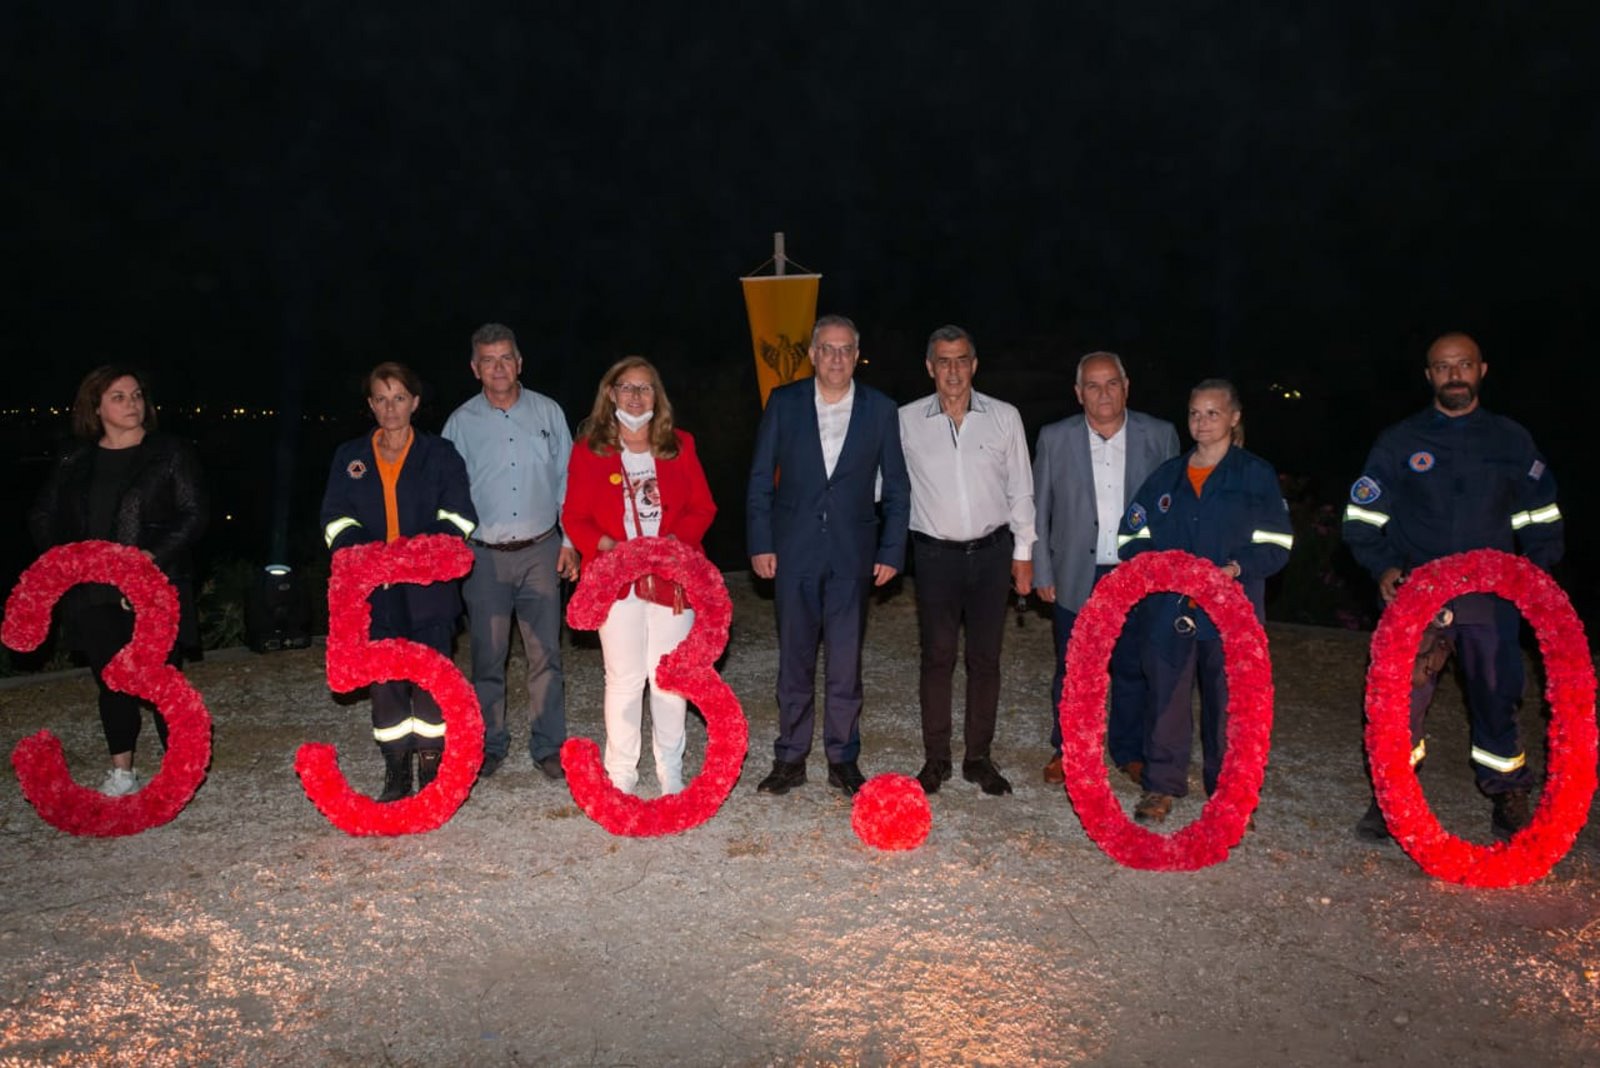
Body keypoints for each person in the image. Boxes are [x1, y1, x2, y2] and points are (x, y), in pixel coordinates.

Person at [1343, 332, 1562, 842]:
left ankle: (1507, 792)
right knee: (1400, 699)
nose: (1454, 375)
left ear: (1482, 370)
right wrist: (1383, 567)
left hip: (1490, 598)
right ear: (1429, 376)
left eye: (1463, 365)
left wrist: (1534, 575)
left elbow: (1541, 517)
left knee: (1497, 695)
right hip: (1417, 594)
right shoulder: (1400, 441)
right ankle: (1391, 797)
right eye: (1443, 367)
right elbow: (1361, 517)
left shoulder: (1511, 440)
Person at [747, 314, 911, 796]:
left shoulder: (881, 409)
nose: (836, 358)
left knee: (844, 664)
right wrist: (760, 542)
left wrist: (891, 549)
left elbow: (896, 487)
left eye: (845, 349)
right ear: (813, 355)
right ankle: (790, 757)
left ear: (856, 355)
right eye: (827, 348)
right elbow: (760, 479)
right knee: (794, 661)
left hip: (853, 554)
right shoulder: (784, 403)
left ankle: (843, 758)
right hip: (793, 551)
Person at [1117, 379, 1292, 823]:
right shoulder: (1166, 476)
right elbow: (1130, 534)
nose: (1202, 422)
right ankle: (1161, 785)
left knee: (1229, 704)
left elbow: (1278, 542)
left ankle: (1229, 794)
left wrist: (1237, 567)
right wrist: (1156, 565)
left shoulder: (1255, 475)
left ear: (1234, 417)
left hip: (1233, 610)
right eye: (1195, 413)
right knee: (1165, 699)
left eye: (1213, 413)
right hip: (1170, 610)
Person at [28, 366, 207, 796]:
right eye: (119, 397)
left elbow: (194, 514)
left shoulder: (169, 452)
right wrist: (67, 560)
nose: (133, 404)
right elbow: (42, 515)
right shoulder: (75, 459)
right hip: (94, 591)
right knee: (111, 680)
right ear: (96, 407)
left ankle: (180, 770)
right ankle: (122, 772)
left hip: (154, 585)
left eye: (137, 395)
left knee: (162, 678)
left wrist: (150, 556)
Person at [320, 362, 478, 801]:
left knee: (431, 681)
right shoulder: (349, 457)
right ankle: (396, 769)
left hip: (429, 592)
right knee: (385, 684)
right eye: (382, 399)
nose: (391, 408)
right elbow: (334, 519)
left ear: (415, 402)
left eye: (399, 398)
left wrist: (412, 558)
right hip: (373, 595)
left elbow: (459, 516)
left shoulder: (441, 454)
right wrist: (371, 558)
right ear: (371, 405)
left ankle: (431, 766)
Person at [563, 357, 717, 794]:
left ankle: (671, 769)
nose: (635, 396)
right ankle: (621, 773)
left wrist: (671, 544)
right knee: (624, 679)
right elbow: (574, 516)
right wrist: (610, 549)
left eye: (644, 388)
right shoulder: (589, 450)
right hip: (617, 581)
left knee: (669, 677)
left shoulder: (680, 445)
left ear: (656, 396)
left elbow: (703, 507)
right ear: (611, 393)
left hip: (672, 578)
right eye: (627, 388)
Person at [1032, 351, 1180, 785]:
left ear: (1126, 387)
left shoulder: (1160, 435)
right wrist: (1042, 571)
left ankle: (1128, 751)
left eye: (1112, 383)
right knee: (1075, 669)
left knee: (1133, 667)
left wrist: (1170, 572)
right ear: (1078, 393)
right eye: (1093, 386)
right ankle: (1069, 748)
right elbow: (1038, 509)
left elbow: (1173, 511)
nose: (1103, 394)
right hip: (1077, 571)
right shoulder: (1054, 438)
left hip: (1138, 574)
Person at [899, 325, 1034, 797]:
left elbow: (1021, 489)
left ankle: (978, 758)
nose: (953, 370)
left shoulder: (1004, 417)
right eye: (943, 361)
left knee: (985, 659)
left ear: (974, 365)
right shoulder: (906, 420)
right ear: (929, 367)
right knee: (937, 658)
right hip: (934, 555)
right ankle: (936, 759)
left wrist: (1023, 553)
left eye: (961, 360)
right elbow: (885, 484)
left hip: (993, 553)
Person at [442, 323, 580, 781]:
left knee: (546, 656)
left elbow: (568, 479)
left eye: (506, 358)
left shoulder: (548, 412)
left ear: (519, 363)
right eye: (488, 360)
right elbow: (448, 492)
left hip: (542, 550)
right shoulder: (460, 423)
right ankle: (488, 744)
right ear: (474, 368)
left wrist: (569, 541)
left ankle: (549, 746)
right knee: (487, 657)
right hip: (483, 557)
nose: (498, 368)